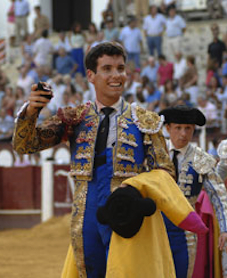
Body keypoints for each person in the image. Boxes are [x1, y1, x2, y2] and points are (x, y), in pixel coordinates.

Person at [13, 42, 207, 278]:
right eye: (107, 69)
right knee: (90, 270)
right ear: (91, 75)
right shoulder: (75, 118)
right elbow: (25, 145)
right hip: (86, 211)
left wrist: (136, 188)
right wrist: (32, 111)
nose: (116, 75)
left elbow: (165, 171)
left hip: (127, 210)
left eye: (120, 68)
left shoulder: (145, 120)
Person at [159, 105, 227, 278]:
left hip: (185, 229)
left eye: (188, 128)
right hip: (156, 225)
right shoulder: (156, 153)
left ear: (193, 129)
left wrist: (225, 228)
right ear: (168, 128)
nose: (183, 133)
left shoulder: (201, 158)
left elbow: (219, 195)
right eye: (178, 128)